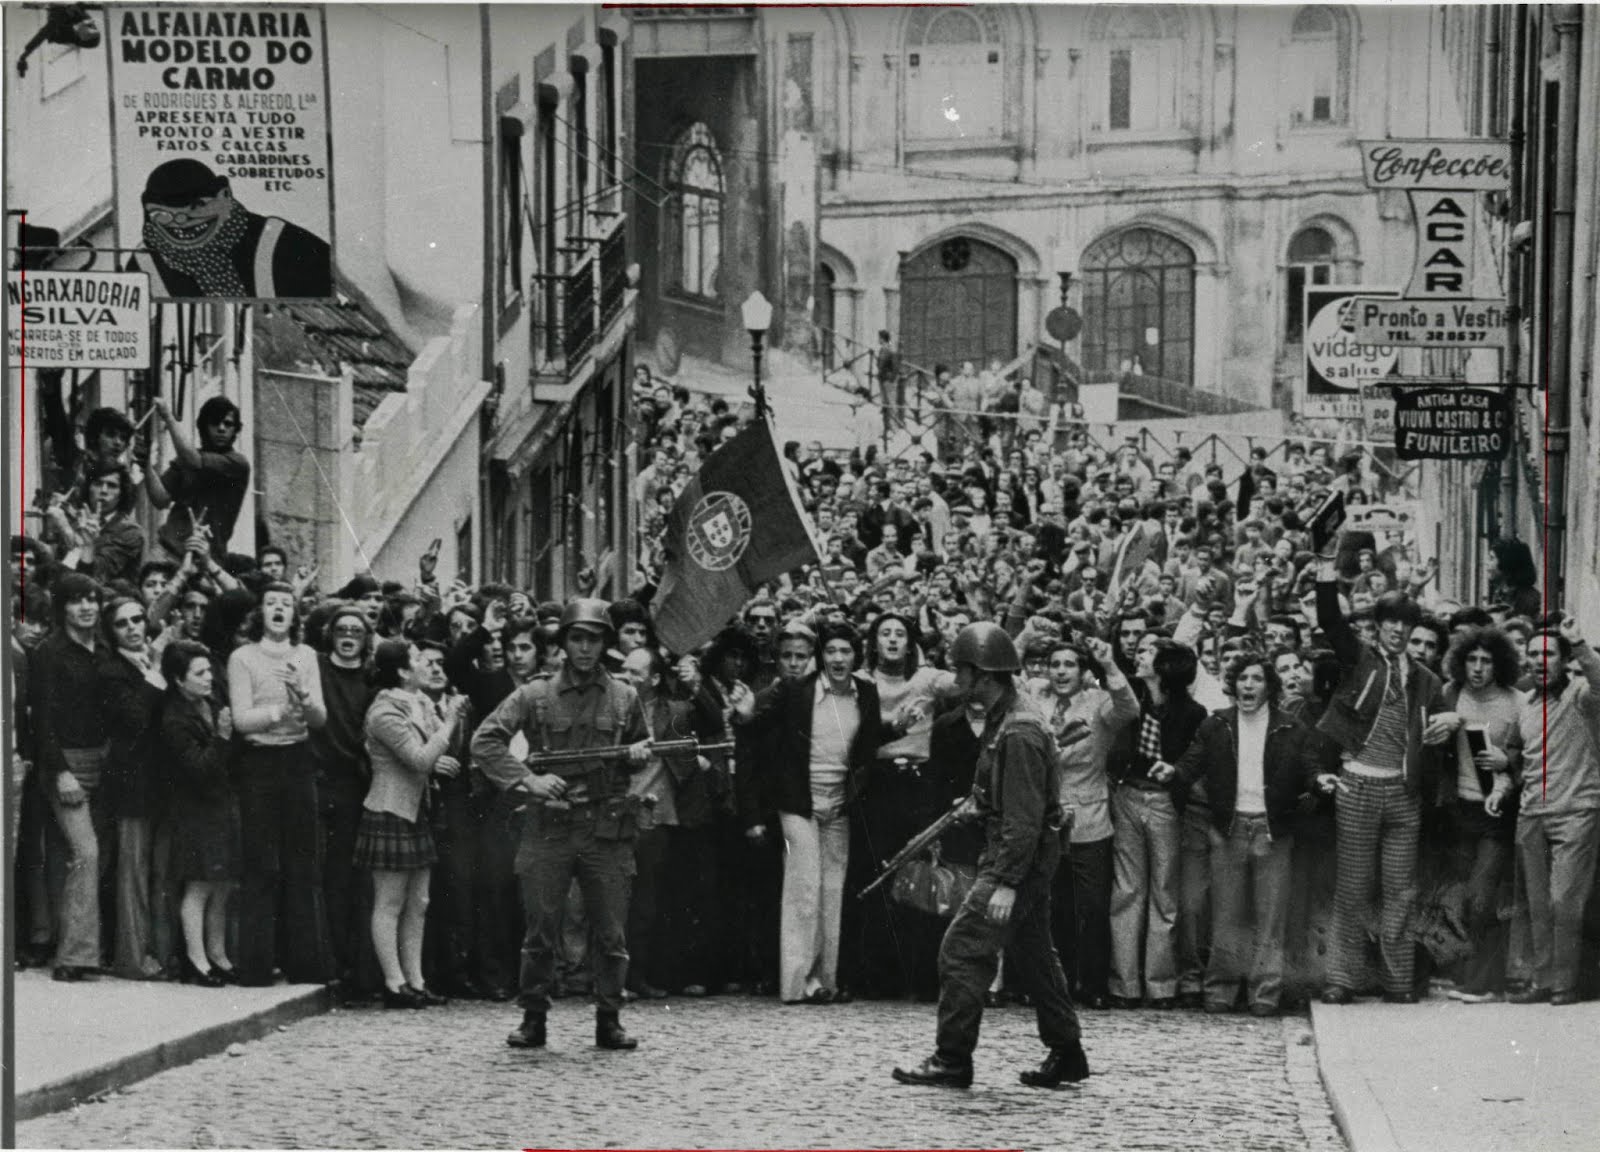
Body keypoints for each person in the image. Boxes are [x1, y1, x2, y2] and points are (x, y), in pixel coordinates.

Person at [891, 623, 1087, 1090]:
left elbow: (1023, 819)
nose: (954, 678)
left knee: (960, 951)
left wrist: (1006, 882)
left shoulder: (1017, 729)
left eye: (961, 669)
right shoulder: (1009, 715)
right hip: (1025, 860)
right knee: (1035, 955)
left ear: (982, 674)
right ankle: (1067, 1052)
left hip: (1013, 862)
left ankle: (952, 1059)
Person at [472, 598, 652, 1051]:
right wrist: (528, 781)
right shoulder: (535, 694)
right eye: (577, 638)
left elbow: (636, 750)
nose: (585, 648)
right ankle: (534, 1016)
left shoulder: (625, 696)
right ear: (564, 643)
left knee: (611, 930)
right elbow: (486, 741)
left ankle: (608, 1018)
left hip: (605, 828)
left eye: (594, 639)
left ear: (605, 643)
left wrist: (636, 758)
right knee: (541, 929)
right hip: (549, 826)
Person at [1315, 558, 1451, 1006]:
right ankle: (1341, 979)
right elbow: (1330, 621)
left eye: (1404, 625)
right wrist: (1323, 568)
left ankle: (1398, 982)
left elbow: (1448, 718)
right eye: (1390, 623)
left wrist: (1451, 719)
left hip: (1403, 793)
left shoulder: (1428, 680)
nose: (1397, 631)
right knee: (1352, 887)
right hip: (1358, 785)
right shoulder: (1361, 660)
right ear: (1377, 627)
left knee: (1400, 890)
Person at [1156, 657, 1321, 1016]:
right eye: (1242, 679)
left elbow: (1309, 767)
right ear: (1233, 685)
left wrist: (1319, 781)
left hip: (1272, 830)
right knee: (1227, 917)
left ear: (1269, 686)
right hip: (1229, 829)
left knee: (1270, 918)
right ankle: (1221, 989)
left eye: (1256, 679)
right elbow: (1192, 761)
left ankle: (1265, 994)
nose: (1248, 685)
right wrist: (1173, 771)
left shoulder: (1291, 727)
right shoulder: (1217, 725)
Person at [734, 621, 883, 1004]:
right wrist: (746, 713)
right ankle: (797, 984)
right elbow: (757, 725)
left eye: (845, 651)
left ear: (856, 657)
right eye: (830, 651)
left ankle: (825, 981)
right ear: (823, 657)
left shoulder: (866, 693)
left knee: (832, 893)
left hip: (839, 805)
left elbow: (868, 746)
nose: (837, 658)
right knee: (803, 889)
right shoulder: (795, 690)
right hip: (798, 803)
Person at [228, 582, 336, 986]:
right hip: (259, 762)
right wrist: (279, 710)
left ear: (295, 614)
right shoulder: (243, 658)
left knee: (302, 861)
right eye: (270, 602)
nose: (278, 610)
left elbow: (319, 717)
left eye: (285, 605)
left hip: (297, 759)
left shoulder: (306, 655)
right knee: (260, 863)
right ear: (261, 612)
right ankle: (256, 967)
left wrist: (304, 698)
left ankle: (305, 963)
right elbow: (241, 720)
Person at [358, 640, 469, 1008]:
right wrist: (450, 720)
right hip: (389, 809)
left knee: (418, 901)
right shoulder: (384, 712)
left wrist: (451, 721)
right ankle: (394, 983)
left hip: (415, 810)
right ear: (403, 671)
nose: (427, 665)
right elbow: (421, 759)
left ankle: (416, 981)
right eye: (419, 659)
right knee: (390, 902)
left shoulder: (419, 702)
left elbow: (443, 751)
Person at [1035, 637, 1138, 1009]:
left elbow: (1128, 708)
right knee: (1050, 907)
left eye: (1070, 665)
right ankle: (1050, 985)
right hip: (1043, 818)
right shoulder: (1036, 698)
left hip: (1087, 818)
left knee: (1091, 907)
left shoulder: (1097, 703)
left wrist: (1109, 666)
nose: (1061, 671)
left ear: (1082, 671)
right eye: (1055, 664)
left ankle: (1092, 984)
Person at [1503, 616, 1600, 1006]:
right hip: (1531, 814)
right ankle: (1542, 980)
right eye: (1532, 654)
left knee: (1565, 902)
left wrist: (1579, 644)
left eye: (1548, 654)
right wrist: (1502, 780)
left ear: (1562, 660)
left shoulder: (1581, 695)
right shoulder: (1524, 704)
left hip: (1576, 812)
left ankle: (1564, 984)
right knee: (1538, 904)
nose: (1539, 661)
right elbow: (1515, 755)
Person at [1106, 636, 1206, 1009]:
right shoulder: (1132, 699)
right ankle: (1124, 983)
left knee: (1164, 892)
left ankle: (1161, 984)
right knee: (1127, 890)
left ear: (1165, 667)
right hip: (1128, 794)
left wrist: (1175, 774)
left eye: (1149, 653)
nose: (1140, 655)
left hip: (1165, 803)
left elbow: (1192, 759)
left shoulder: (1192, 713)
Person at [1435, 625, 1522, 1003]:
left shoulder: (1516, 701)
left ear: (1499, 663)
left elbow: (1529, 754)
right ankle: (1463, 973)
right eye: (1471, 659)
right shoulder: (1449, 694)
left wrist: (1508, 761)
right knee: (1460, 898)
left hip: (1496, 808)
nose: (1478, 668)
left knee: (1484, 897)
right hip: (1458, 808)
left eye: (1486, 661)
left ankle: (1485, 982)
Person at [32, 573, 113, 981]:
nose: (87, 607)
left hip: (102, 761)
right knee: (87, 853)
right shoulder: (50, 652)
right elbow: (42, 721)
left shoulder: (103, 649)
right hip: (65, 764)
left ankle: (68, 945)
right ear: (61, 606)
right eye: (77, 600)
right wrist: (61, 772)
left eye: (93, 599)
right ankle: (74, 958)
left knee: (81, 860)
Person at [126, 159, 332, 298]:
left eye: (198, 206)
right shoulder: (144, 264)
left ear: (224, 195)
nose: (180, 221)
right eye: (161, 214)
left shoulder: (284, 244)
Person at [99, 594, 173, 980]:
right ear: (111, 633)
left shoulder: (148, 662)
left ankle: (158, 950)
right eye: (122, 623)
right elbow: (133, 718)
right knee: (132, 873)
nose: (132, 628)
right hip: (131, 784)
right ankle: (131, 955)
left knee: (158, 873)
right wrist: (156, 672)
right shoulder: (111, 670)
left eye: (137, 620)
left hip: (162, 781)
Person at [159, 639, 240, 986]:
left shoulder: (211, 703)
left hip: (221, 805)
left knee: (221, 884)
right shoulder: (174, 718)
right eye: (200, 673)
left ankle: (218, 955)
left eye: (210, 670)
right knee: (199, 886)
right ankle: (196, 960)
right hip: (195, 809)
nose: (210, 678)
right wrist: (222, 737)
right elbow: (198, 769)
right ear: (179, 679)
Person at [145, 396, 251, 562]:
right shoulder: (186, 458)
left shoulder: (237, 463)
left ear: (235, 429)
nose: (221, 429)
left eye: (228, 424)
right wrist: (146, 466)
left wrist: (168, 416)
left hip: (205, 558)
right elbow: (160, 499)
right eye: (215, 423)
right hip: (167, 550)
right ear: (204, 427)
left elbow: (194, 461)